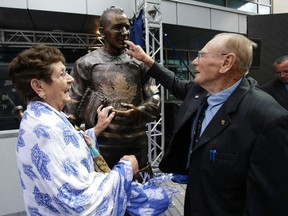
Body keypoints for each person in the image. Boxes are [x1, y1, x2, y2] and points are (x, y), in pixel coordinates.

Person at [125, 33, 288, 216]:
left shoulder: (267, 118)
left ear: (226, 63)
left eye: (202, 55)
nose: (195, 62)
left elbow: (267, 202)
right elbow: (173, 82)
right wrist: (145, 59)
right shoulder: (199, 91)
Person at [9, 44, 172, 215]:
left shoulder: (42, 117)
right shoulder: (45, 130)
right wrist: (125, 169)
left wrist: (95, 130)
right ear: (38, 86)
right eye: (62, 74)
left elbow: (66, 145)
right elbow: (79, 201)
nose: (70, 79)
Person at [65, 6, 160, 173]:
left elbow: (155, 99)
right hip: (102, 147)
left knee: (140, 196)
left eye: (127, 27)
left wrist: (139, 111)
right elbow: (72, 111)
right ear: (103, 32)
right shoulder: (86, 63)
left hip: (136, 145)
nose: (124, 32)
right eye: (117, 27)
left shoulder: (139, 62)